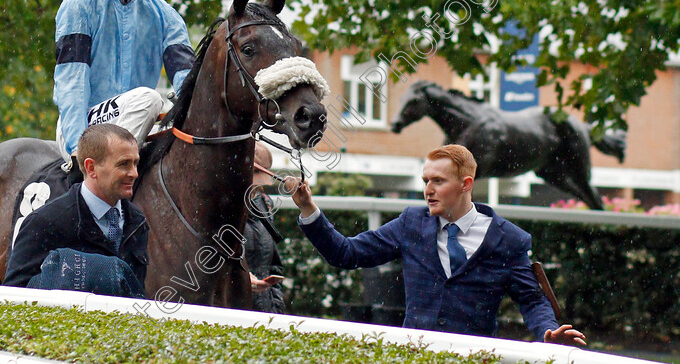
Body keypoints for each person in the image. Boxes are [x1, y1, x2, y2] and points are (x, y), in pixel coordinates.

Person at [289, 144, 586, 345]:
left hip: (476, 357)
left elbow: (533, 300)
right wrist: (308, 210)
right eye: (425, 181)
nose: (428, 190)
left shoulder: (508, 239)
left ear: (466, 184)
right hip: (415, 353)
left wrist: (547, 331)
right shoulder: (410, 223)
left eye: (438, 181)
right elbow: (345, 253)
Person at [54, 0, 195, 175]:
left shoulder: (166, 15)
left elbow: (187, 82)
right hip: (84, 128)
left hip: (139, 124)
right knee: (149, 99)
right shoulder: (78, 5)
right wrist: (77, 148)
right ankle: (101, 175)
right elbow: (72, 83)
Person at [4, 124, 148, 297]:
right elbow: (13, 297)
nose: (134, 173)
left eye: (135, 163)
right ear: (91, 168)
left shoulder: (138, 222)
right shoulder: (45, 222)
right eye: (123, 164)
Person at [244, 143, 286, 313]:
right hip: (232, 312)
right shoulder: (221, 207)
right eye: (254, 174)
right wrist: (242, 278)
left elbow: (274, 266)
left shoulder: (265, 204)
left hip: (265, 311)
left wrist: (276, 310)